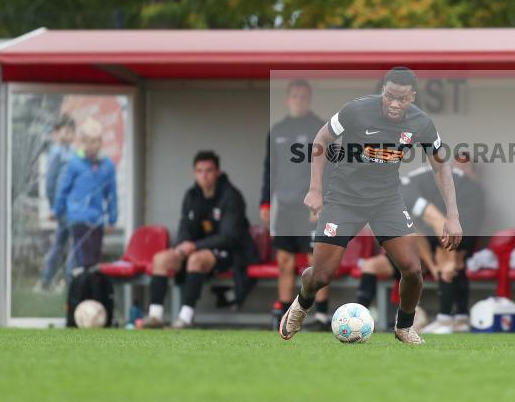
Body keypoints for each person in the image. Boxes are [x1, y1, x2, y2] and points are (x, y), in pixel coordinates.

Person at [280, 66, 462, 345]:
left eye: (401, 99)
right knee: (322, 275)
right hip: (344, 198)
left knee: (412, 269)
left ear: (412, 97)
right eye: (389, 96)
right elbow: (321, 140)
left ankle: (404, 327)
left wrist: (453, 215)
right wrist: (315, 189)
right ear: (383, 92)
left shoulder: (421, 123)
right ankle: (301, 304)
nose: (394, 103)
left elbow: (440, 167)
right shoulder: (356, 110)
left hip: (386, 200)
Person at [356, 153, 484, 334]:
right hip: (448, 206)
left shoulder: (404, 192)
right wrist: (432, 266)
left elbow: (436, 218)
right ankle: (360, 318)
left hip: (464, 199)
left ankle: (446, 321)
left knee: (449, 263)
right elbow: (416, 233)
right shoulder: (391, 204)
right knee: (442, 263)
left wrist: (449, 256)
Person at [144, 151, 258, 329]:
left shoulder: (231, 196)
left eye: (209, 170)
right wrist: (182, 246)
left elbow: (229, 237)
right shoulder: (191, 195)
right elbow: (185, 226)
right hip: (194, 249)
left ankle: (185, 318)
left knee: (196, 259)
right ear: (194, 173)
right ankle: (155, 316)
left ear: (217, 172)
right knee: (161, 259)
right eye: (199, 171)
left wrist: (194, 246)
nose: (204, 175)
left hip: (231, 254)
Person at [261, 79, 331, 331]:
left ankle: (321, 314)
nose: (299, 100)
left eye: (303, 96)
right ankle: (283, 308)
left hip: (311, 207)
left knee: (316, 260)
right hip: (286, 207)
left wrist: (323, 201)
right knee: (284, 260)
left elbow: (330, 168)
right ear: (287, 99)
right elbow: (270, 169)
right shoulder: (277, 130)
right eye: (295, 96)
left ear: (309, 99)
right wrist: (266, 202)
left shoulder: (319, 128)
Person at [52, 118, 117, 276]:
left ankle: (91, 294)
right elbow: (64, 189)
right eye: (92, 141)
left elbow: (111, 194)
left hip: (97, 219)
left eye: (99, 141)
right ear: (84, 142)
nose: (96, 145)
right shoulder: (75, 162)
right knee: (82, 260)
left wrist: (112, 218)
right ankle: (80, 294)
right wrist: (57, 211)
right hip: (78, 217)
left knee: (94, 261)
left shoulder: (107, 165)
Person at [37, 114, 76, 290]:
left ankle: (46, 278)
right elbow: (50, 182)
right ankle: (69, 280)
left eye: (72, 131)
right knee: (73, 243)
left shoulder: (72, 152)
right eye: (66, 131)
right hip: (62, 208)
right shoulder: (56, 153)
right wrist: (55, 206)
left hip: (72, 206)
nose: (70, 135)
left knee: (61, 242)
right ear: (56, 133)